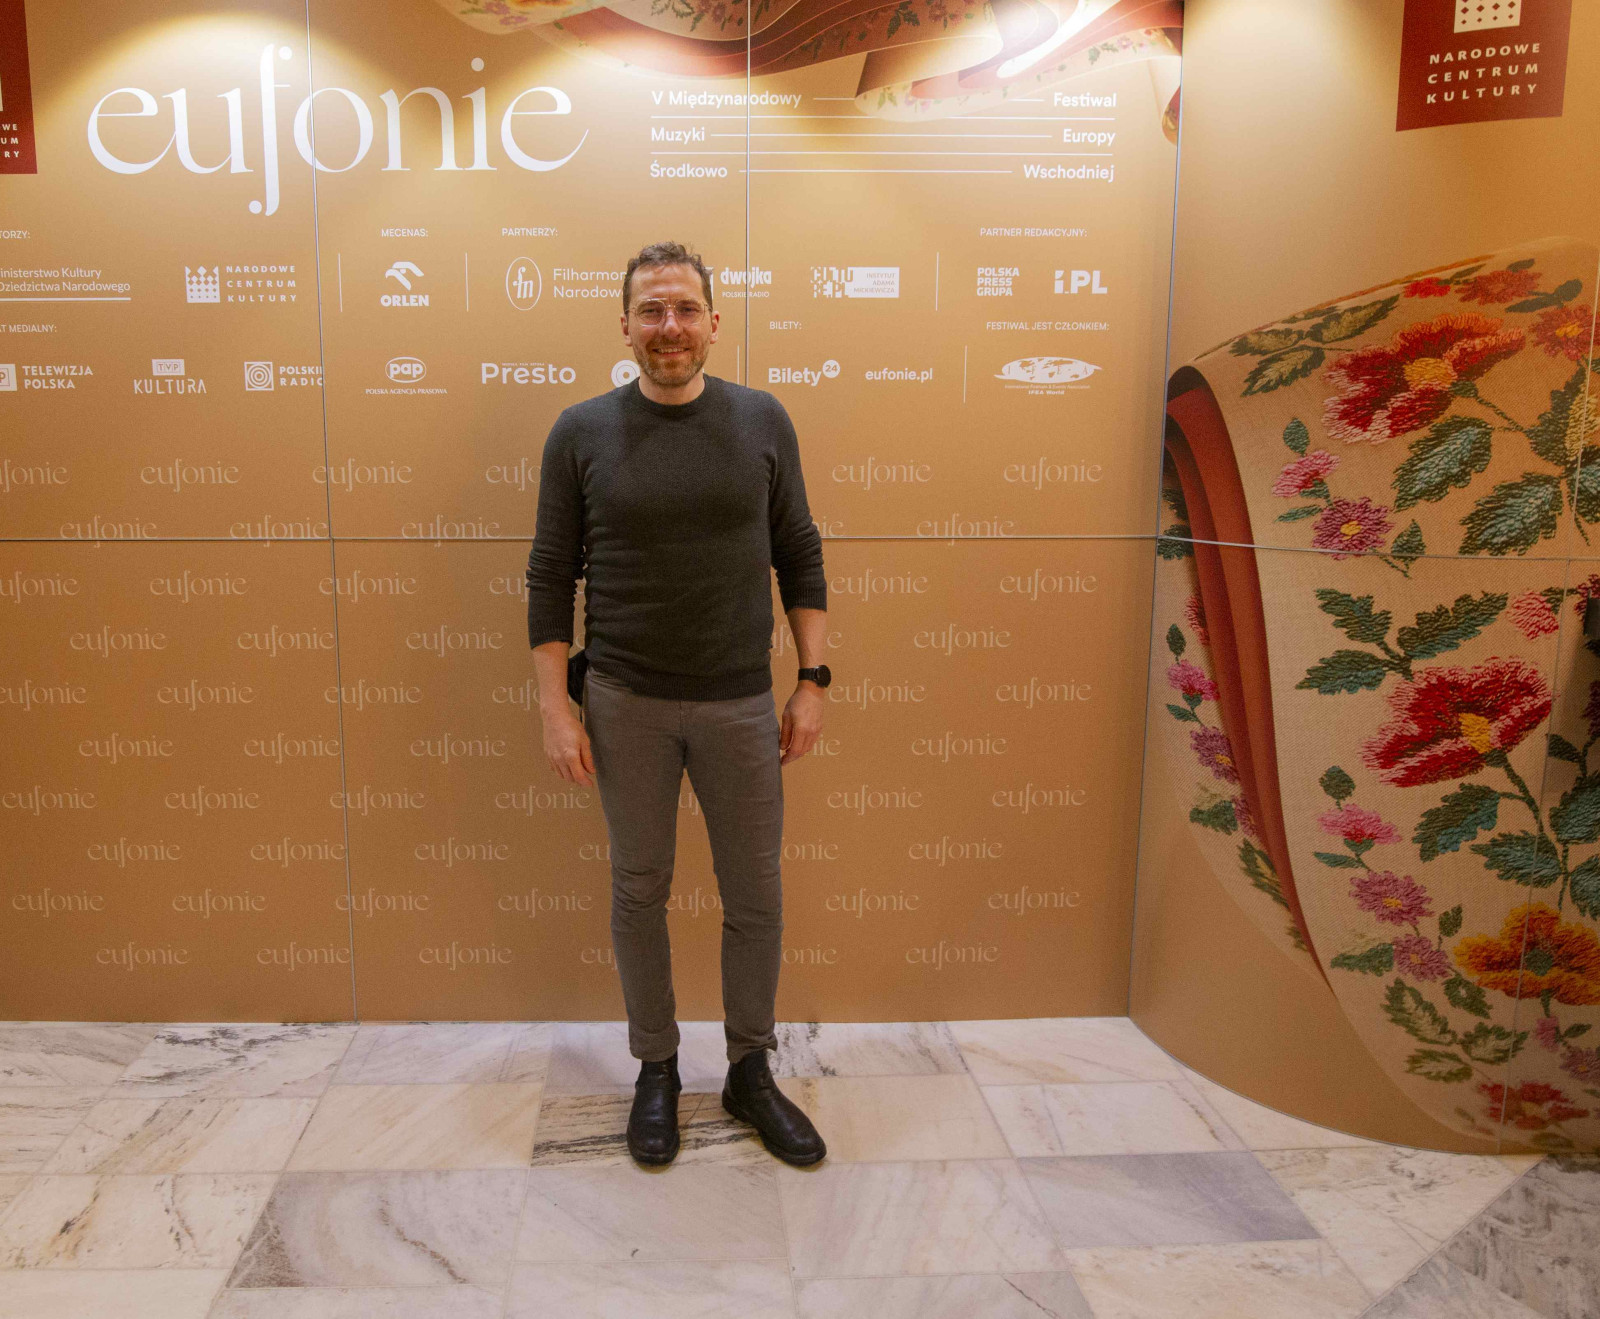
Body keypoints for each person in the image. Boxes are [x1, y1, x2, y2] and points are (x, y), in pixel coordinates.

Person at [524, 240, 831, 1167]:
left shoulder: (762, 419)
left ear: (714, 323)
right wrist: (555, 706)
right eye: (652, 310)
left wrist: (812, 679)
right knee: (638, 889)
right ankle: (655, 1067)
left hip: (740, 701)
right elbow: (550, 576)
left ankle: (749, 1070)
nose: (670, 327)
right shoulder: (580, 432)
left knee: (756, 895)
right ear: (625, 325)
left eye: (685, 309)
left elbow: (799, 550)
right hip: (626, 701)